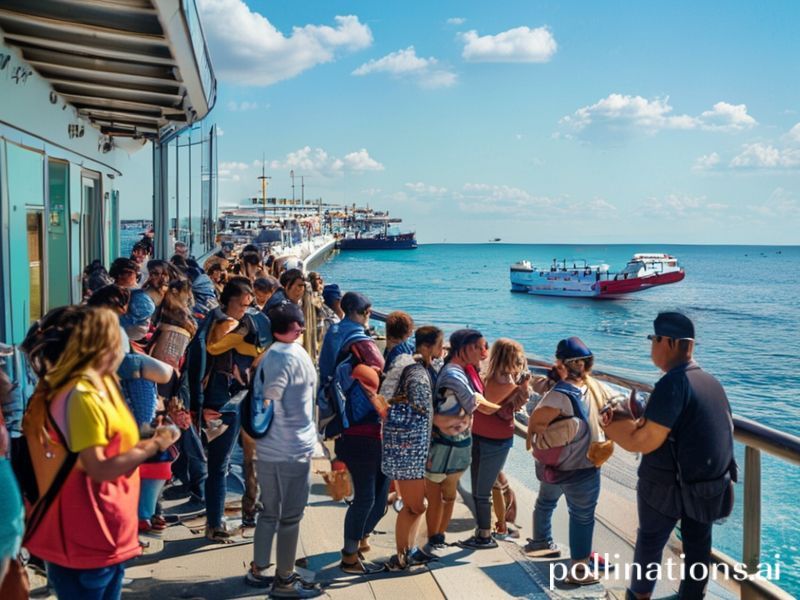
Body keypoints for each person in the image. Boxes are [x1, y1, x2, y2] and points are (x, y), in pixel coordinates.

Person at [21, 306, 179, 599]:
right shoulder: (81, 395)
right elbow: (99, 467)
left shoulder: (91, 385)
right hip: (90, 534)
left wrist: (148, 435)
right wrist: (155, 444)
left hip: (101, 531)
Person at [602, 313, 735, 600]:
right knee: (698, 546)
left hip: (667, 487)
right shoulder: (711, 382)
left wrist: (609, 426)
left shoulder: (673, 383)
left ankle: (638, 596)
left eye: (654, 339)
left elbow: (643, 441)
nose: (651, 346)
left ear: (670, 342)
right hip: (708, 487)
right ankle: (692, 595)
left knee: (650, 543)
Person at [245, 303, 322, 598]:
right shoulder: (288, 355)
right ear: (295, 328)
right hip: (291, 448)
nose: (302, 328)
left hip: (270, 446)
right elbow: (272, 395)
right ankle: (285, 580)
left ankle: (259, 569)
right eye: (299, 324)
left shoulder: (273, 353)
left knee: (269, 512)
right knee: (290, 518)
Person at [524, 337, 604, 585]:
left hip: (556, 465)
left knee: (546, 501)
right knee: (582, 517)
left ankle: (540, 542)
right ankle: (579, 570)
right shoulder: (593, 389)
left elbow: (536, 425)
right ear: (586, 363)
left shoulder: (558, 395)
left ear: (560, 363)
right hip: (584, 466)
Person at [318, 292, 386, 574]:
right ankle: (350, 553)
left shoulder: (334, 333)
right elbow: (378, 377)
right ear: (364, 312)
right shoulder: (362, 343)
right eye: (368, 312)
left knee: (370, 495)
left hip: (341, 418)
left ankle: (358, 542)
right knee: (369, 497)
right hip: (365, 425)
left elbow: (326, 373)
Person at [424, 329, 497, 554]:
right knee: (439, 496)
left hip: (453, 442)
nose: (483, 352)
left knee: (446, 495)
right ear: (463, 348)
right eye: (478, 347)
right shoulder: (454, 374)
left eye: (484, 347)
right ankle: (434, 539)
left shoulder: (458, 371)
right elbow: (477, 404)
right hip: (445, 444)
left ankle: (437, 538)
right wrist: (504, 404)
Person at [201, 278, 263, 542]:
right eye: (241, 305)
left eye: (248, 306)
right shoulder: (224, 325)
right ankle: (215, 523)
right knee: (219, 464)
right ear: (227, 302)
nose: (244, 311)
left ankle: (216, 519)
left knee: (220, 463)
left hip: (230, 400)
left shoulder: (217, 321)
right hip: (221, 403)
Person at [380, 326, 444, 571]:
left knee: (414, 506)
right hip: (410, 450)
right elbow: (421, 410)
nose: (442, 350)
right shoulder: (418, 373)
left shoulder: (412, 365)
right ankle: (400, 556)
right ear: (426, 347)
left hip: (408, 449)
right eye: (439, 345)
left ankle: (408, 551)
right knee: (416, 506)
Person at [462, 338, 530, 549]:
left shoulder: (495, 382)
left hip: (493, 441)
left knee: (482, 490)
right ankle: (490, 529)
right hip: (486, 438)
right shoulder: (503, 383)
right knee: (483, 488)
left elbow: (488, 406)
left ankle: (484, 535)